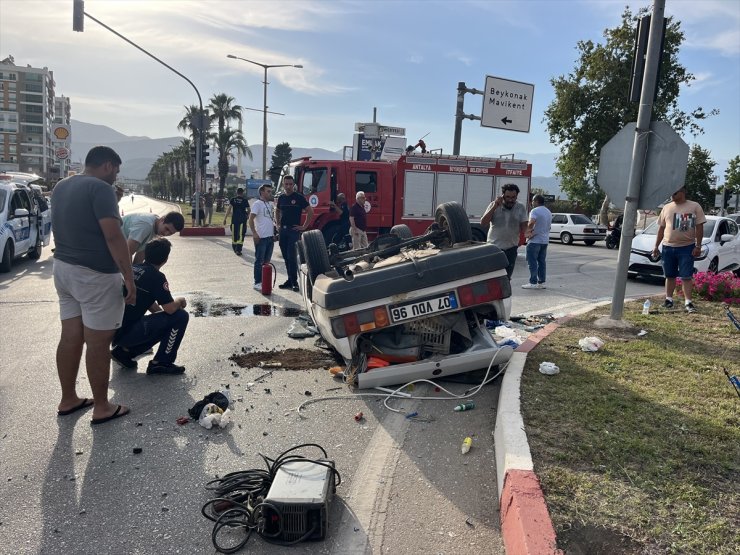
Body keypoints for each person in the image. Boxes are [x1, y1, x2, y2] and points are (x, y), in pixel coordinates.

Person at [51, 145, 135, 425]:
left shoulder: (63, 185)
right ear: (108, 165)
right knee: (98, 343)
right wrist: (129, 278)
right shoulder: (101, 189)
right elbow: (114, 237)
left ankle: (69, 399)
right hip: (94, 275)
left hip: (63, 269)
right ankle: (102, 407)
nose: (116, 176)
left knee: (70, 337)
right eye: (117, 170)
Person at [111, 238, 189, 374]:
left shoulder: (133, 269)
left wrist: (162, 321)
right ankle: (162, 362)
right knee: (180, 316)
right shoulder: (157, 277)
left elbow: (149, 303)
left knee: (164, 322)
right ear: (165, 259)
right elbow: (170, 309)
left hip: (114, 331)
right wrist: (180, 300)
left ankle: (124, 352)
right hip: (127, 332)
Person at [651, 186, 706, 313]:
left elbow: (699, 228)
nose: (672, 196)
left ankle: (688, 302)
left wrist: (698, 246)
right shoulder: (666, 208)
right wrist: (656, 246)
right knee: (669, 275)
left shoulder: (694, 206)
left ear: (683, 192)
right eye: (670, 193)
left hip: (687, 247)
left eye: (675, 193)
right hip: (668, 247)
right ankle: (668, 300)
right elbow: (661, 229)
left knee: (686, 276)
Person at [480, 183, 529, 279]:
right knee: (492, 278)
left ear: (517, 196)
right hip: (494, 248)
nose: (510, 200)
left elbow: (524, 226)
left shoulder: (520, 207)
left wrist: (529, 232)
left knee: (506, 278)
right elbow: (483, 223)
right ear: (503, 196)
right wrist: (495, 206)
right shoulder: (494, 205)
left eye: (513, 197)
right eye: (507, 197)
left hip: (511, 249)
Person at [275, 175, 313, 291]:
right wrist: (277, 224)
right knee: (286, 257)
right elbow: (277, 210)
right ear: (283, 185)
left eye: (290, 184)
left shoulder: (299, 198)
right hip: (283, 231)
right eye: (286, 184)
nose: (288, 186)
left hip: (293, 231)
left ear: (293, 185)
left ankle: (295, 282)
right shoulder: (281, 198)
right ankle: (290, 280)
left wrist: (304, 226)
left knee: (291, 257)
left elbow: (310, 211)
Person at [248, 184, 276, 291]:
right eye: (268, 191)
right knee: (259, 261)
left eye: (270, 191)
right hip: (261, 237)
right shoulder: (257, 204)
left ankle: (265, 281)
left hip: (270, 237)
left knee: (267, 262)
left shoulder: (269, 204)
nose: (270, 193)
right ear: (262, 192)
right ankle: (257, 282)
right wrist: (254, 233)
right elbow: (250, 219)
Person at [522, 194, 552, 290]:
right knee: (542, 262)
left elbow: (531, 222)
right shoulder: (548, 212)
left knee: (532, 261)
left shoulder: (534, 211)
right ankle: (541, 282)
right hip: (544, 241)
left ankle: (533, 282)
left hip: (535, 241)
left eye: (533, 201)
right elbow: (549, 226)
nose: (532, 203)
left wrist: (528, 232)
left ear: (536, 201)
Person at [225, 187, 250, 255]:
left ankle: (235, 248)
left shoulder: (233, 200)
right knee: (241, 235)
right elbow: (249, 210)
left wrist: (225, 218)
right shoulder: (245, 200)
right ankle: (238, 250)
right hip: (242, 220)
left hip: (234, 220)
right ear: (242, 193)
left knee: (234, 234)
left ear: (237, 192)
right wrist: (247, 215)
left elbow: (229, 209)